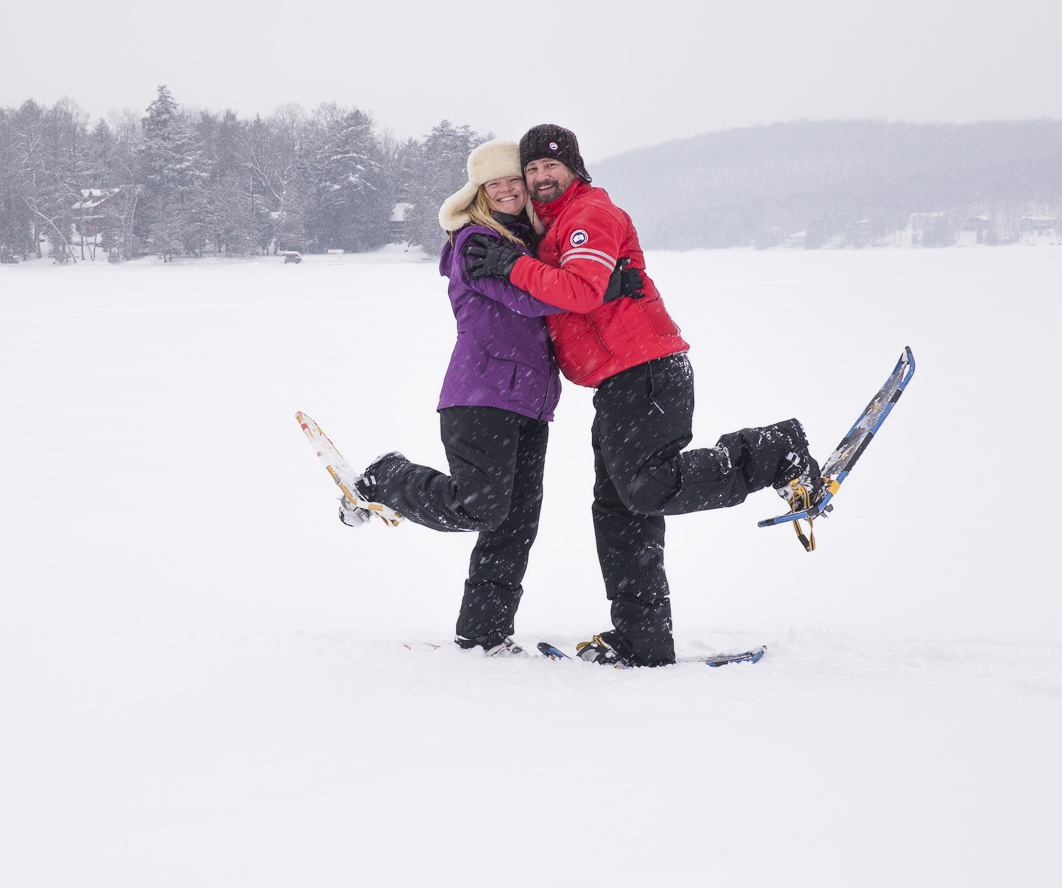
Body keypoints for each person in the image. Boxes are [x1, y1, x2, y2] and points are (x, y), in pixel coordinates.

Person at [463, 123, 824, 668]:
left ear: (574, 168)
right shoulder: (556, 226)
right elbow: (579, 286)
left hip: (646, 369)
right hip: (617, 381)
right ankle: (643, 639)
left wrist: (515, 265)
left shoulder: (588, 215)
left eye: (550, 166)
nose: (540, 176)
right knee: (618, 512)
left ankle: (775, 451)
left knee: (646, 488)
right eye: (531, 168)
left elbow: (582, 289)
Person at [348, 138, 639, 657]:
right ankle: (387, 477)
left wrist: (589, 282)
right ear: (477, 192)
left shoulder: (529, 245)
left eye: (513, 181)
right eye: (493, 183)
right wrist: (600, 284)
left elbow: (553, 289)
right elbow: (530, 299)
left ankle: (483, 634)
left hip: (531, 402)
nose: (505, 189)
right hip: (479, 395)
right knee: (479, 508)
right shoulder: (477, 242)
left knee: (514, 526)